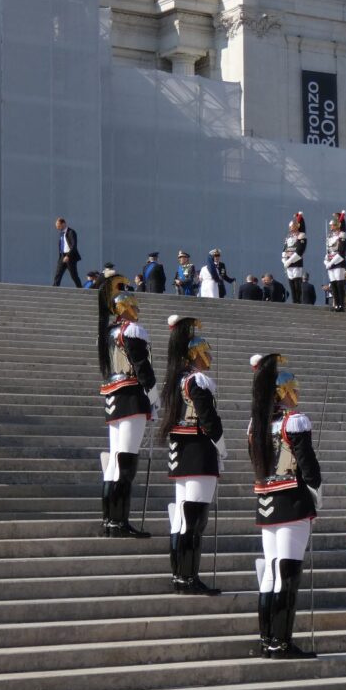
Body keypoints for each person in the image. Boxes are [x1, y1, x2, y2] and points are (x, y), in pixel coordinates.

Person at [248, 353, 322, 659]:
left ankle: (267, 639)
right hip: (292, 502)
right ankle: (282, 641)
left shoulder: (256, 425)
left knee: (271, 574)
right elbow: (310, 470)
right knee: (287, 575)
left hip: (266, 501)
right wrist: (316, 498)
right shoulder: (294, 422)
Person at [160, 315, 227, 595]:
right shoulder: (197, 381)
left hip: (181, 454)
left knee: (182, 520)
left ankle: (181, 575)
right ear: (195, 354)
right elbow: (208, 419)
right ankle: (189, 577)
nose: (209, 356)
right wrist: (221, 446)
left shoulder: (177, 380)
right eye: (206, 351)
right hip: (199, 452)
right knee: (195, 520)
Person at [96, 274, 159, 538]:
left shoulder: (108, 332)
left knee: (114, 463)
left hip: (113, 396)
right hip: (132, 395)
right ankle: (119, 522)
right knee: (126, 461)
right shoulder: (131, 331)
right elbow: (142, 366)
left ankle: (110, 521)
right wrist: (154, 396)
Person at [324, 211, 346, 312]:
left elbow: (341, 251)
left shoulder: (342, 235)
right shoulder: (330, 237)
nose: (331, 227)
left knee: (339, 284)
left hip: (339, 262)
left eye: (332, 225)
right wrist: (326, 261)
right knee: (333, 284)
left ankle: (341, 305)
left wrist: (331, 262)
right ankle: (336, 304)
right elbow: (328, 250)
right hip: (331, 262)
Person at [281, 211, 307, 305]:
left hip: (296, 262)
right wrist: (284, 260)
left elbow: (299, 251)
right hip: (288, 261)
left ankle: (298, 300)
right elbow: (284, 249)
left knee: (297, 282)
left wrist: (289, 261)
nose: (291, 230)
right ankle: (294, 300)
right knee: (291, 282)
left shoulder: (301, 237)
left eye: (292, 228)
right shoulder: (288, 237)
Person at [53, 217, 83, 288]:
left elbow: (73, 246)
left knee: (74, 275)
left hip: (70, 256)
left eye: (58, 226)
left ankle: (80, 288)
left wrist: (68, 256)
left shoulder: (71, 232)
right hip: (62, 256)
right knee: (58, 273)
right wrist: (62, 256)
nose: (57, 228)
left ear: (63, 224)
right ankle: (54, 288)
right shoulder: (61, 233)